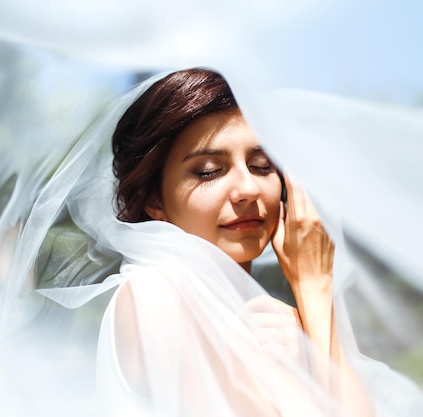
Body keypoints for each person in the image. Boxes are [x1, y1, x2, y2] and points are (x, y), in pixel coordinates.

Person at [106, 67, 374, 416]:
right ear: (154, 200)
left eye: (262, 165)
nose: (248, 189)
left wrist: (311, 328)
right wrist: (315, 292)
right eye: (209, 171)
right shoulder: (154, 293)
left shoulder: (274, 320)